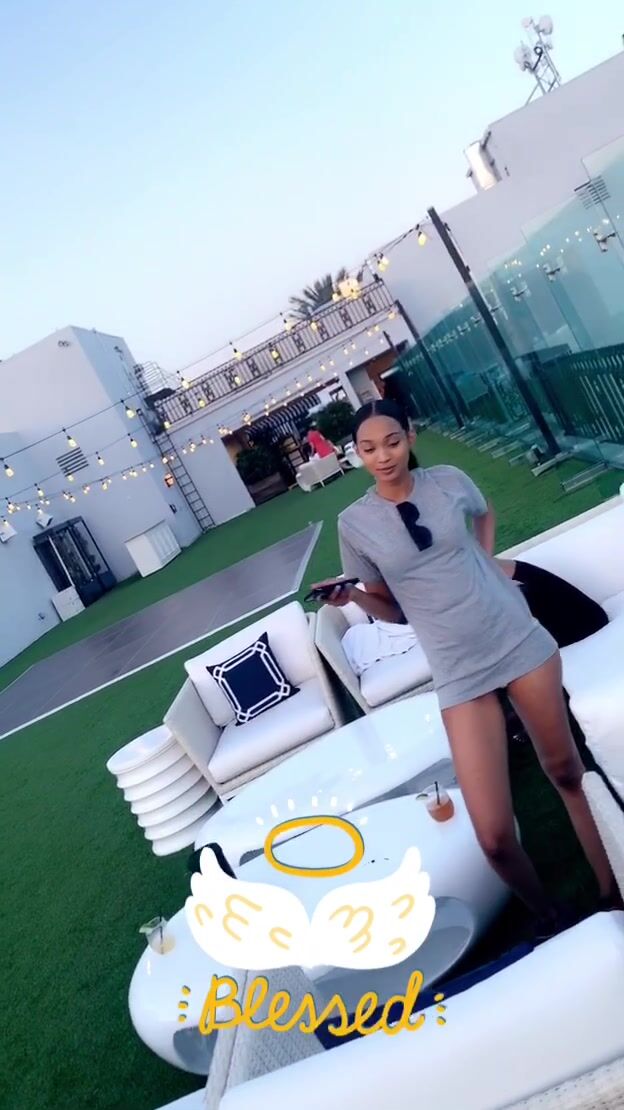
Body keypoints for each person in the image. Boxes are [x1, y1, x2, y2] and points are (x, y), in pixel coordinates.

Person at [313, 398, 620, 935]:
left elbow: (485, 512)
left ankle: (612, 892)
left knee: (566, 772)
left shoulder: (449, 480)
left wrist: (485, 564)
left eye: (392, 442)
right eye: (368, 448)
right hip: (459, 674)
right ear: (356, 454)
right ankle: (549, 916)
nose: (383, 456)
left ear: (409, 436)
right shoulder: (355, 524)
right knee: (494, 836)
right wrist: (353, 598)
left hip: (518, 640)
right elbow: (395, 610)